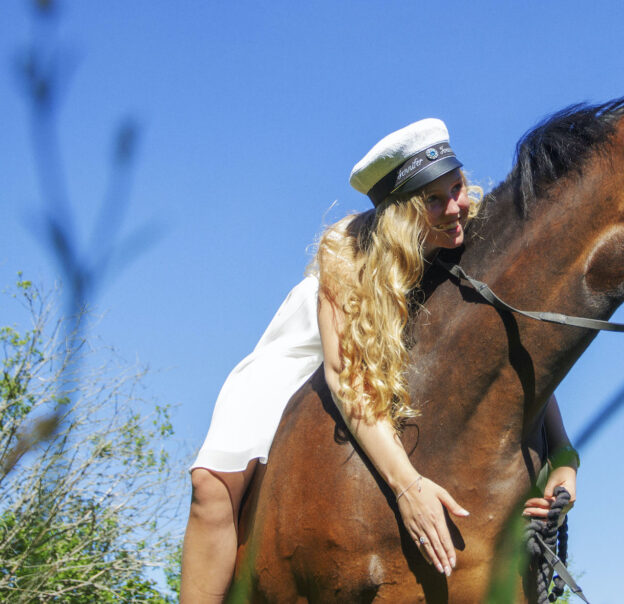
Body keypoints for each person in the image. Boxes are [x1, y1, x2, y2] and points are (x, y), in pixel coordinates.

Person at [180, 118, 579, 603]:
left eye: (456, 187)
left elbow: (510, 347)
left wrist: (563, 454)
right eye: (434, 201)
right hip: (311, 350)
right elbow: (345, 376)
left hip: (399, 350)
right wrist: (407, 487)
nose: (456, 208)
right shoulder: (346, 250)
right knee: (211, 488)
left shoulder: (470, 231)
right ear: (401, 214)